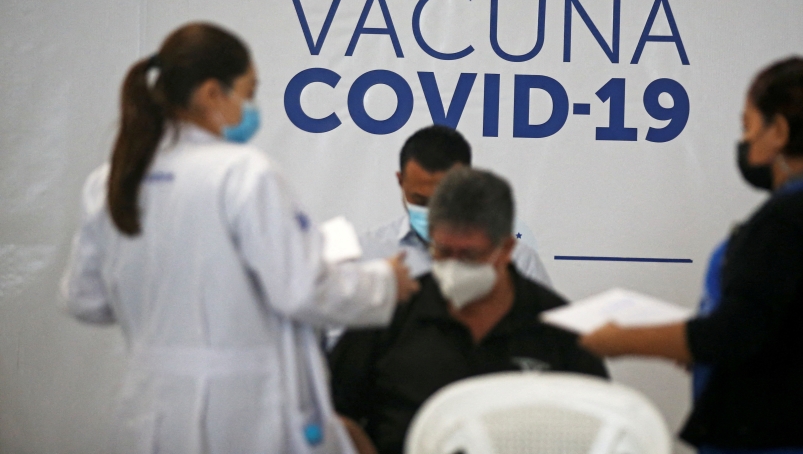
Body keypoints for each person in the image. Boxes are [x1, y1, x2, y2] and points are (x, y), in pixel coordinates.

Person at [59, 23, 418, 454]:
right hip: (241, 413)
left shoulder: (111, 181)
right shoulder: (242, 174)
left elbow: (86, 300)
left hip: (147, 409)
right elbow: (301, 290)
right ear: (213, 93)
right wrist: (384, 282)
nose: (250, 108)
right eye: (248, 92)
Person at [581, 56, 803, 454]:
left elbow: (736, 332)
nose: (744, 141)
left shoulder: (783, 222)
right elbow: (787, 328)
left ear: (779, 131)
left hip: (773, 440)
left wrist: (622, 340)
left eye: (748, 126)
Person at [329, 167, 608, 454]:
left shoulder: (555, 327)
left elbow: (600, 430)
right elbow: (332, 411)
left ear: (506, 248)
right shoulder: (390, 313)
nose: (454, 265)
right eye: (443, 251)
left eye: (469, 255)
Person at [357, 124, 551, 286]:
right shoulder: (367, 255)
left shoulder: (517, 261)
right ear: (401, 181)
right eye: (420, 201)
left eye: (443, 200)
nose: (432, 213)